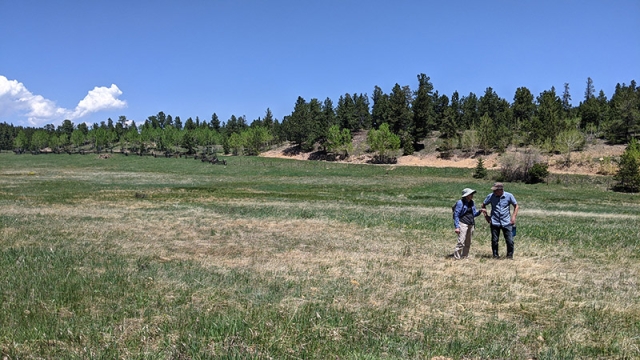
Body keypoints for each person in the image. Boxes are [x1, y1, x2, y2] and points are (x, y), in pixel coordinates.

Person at [481, 182, 519, 259]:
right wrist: (486, 217)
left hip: (507, 222)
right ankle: (495, 255)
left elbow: (516, 206)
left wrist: (513, 217)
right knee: (494, 240)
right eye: (494, 190)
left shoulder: (509, 196)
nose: (494, 192)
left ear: (501, 190)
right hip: (494, 221)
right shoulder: (491, 196)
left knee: (510, 241)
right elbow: (483, 205)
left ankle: (509, 256)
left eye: (495, 190)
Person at [452, 188, 483, 259]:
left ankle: (464, 256)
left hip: (471, 223)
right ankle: (457, 257)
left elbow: (474, 214)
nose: (472, 195)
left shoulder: (472, 202)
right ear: (466, 195)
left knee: (468, 241)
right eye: (470, 194)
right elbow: (456, 215)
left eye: (472, 194)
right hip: (463, 223)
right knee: (461, 241)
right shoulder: (460, 202)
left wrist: (480, 211)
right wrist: (457, 227)